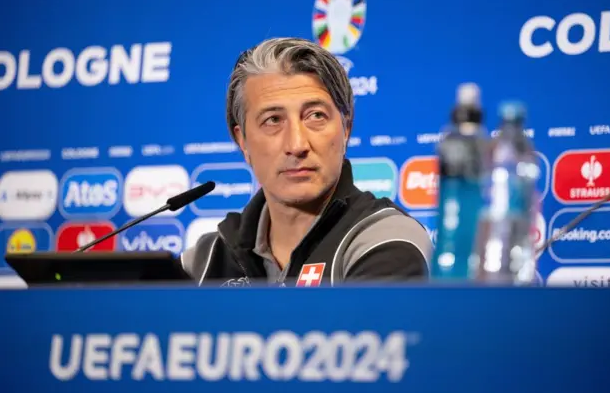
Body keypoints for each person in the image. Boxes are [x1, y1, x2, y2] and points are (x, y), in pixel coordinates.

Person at [181, 37, 432, 287]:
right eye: (273, 120)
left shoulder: (388, 239)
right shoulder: (204, 262)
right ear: (243, 141)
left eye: (315, 116)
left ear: (345, 129)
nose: (297, 145)